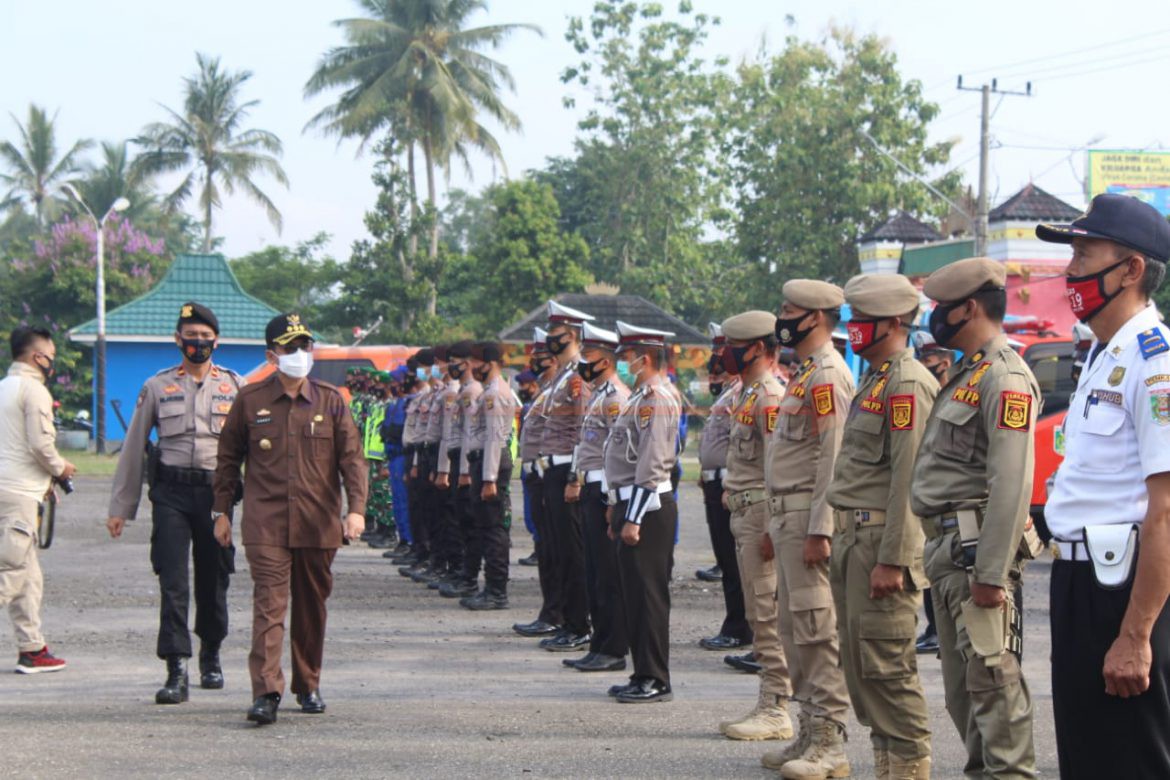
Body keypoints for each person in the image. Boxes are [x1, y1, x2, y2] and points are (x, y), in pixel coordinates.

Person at [1036, 193, 1170, 778]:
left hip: (1123, 590)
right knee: (1087, 756)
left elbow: (1166, 511)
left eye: (1084, 255)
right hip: (1079, 581)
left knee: (1130, 758)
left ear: (1131, 269)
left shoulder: (1155, 361)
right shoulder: (1101, 352)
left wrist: (1136, 635)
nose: (1071, 271)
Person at [910, 257, 1041, 777]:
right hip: (948, 553)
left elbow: (1012, 482)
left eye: (943, 307)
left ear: (969, 308)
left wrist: (990, 572)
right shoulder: (970, 371)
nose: (936, 317)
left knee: (994, 689)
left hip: (975, 557)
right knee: (963, 696)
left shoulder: (1005, 376)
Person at [212, 313, 368, 726]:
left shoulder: (331, 401)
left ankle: (307, 683)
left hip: (318, 524)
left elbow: (353, 460)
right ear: (272, 355)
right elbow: (227, 461)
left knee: (311, 608)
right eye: (290, 347)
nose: (300, 353)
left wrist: (356, 510)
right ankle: (266, 691)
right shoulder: (250, 400)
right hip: (266, 523)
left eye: (305, 346)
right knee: (269, 606)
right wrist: (220, 513)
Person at [107, 302, 245, 703]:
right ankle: (176, 667)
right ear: (177, 339)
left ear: (217, 341)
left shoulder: (235, 386)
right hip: (171, 494)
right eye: (191, 336)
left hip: (217, 494)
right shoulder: (157, 386)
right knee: (172, 579)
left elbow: (253, 450)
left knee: (214, 577)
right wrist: (121, 507)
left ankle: (211, 653)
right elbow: (134, 446)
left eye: (205, 337)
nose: (198, 343)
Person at [828, 275, 938, 779]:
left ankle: (909, 767)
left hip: (879, 546)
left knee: (888, 667)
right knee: (862, 668)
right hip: (854, 539)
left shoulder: (906, 383)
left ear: (893, 324)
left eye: (862, 319)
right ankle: (887, 766)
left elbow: (909, 479)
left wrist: (894, 559)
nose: (853, 327)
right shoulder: (876, 378)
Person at [760, 281, 854, 779]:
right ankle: (808, 728)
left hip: (807, 520)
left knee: (817, 630)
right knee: (794, 631)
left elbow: (833, 460)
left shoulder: (828, 375)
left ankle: (830, 741)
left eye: (788, 310)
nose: (781, 318)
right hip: (787, 517)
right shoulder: (805, 373)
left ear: (815, 317)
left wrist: (822, 527)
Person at [714, 311, 792, 741]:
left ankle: (776, 707)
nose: (726, 353)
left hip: (762, 515)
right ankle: (769, 700)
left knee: (766, 613)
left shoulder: (770, 397)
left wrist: (771, 528)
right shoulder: (748, 393)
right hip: (745, 514)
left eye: (734, 346)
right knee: (756, 611)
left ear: (758, 349)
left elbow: (779, 467)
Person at [603, 321, 680, 703]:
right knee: (633, 595)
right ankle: (641, 673)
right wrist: (614, 507)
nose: (623, 363)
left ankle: (655, 678)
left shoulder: (658, 399)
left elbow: (652, 463)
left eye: (627, 357)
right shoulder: (640, 397)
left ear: (644, 359)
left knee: (648, 598)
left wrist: (632, 517)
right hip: (631, 503)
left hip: (647, 508)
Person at [0, 326, 73, 674]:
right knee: (12, 572)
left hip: (10, 489)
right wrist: (62, 468)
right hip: (19, 495)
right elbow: (40, 445)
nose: (52, 363)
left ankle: (32, 648)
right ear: (37, 357)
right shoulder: (34, 390)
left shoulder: (4, 387)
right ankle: (31, 649)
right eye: (51, 356)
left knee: (29, 577)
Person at [564, 322, 630, 672]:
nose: (582, 362)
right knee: (594, 572)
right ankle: (599, 643)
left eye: (587, 356)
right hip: (590, 487)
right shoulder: (599, 396)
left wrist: (611, 499)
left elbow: (617, 453)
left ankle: (613, 647)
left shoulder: (616, 398)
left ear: (604, 361)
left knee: (607, 574)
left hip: (604, 490)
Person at [538, 302, 595, 652]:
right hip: (553, 469)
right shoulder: (562, 374)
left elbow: (582, 429)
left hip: (566, 471)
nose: (550, 340)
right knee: (560, 550)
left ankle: (579, 625)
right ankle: (567, 620)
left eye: (555, 334)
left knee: (573, 552)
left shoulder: (577, 376)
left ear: (572, 335)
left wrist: (575, 476)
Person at [697, 322, 752, 652]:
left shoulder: (744, 391)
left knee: (735, 562)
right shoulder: (731, 392)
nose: (717, 356)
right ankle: (736, 623)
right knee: (726, 560)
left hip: (729, 485)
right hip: (715, 484)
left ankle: (740, 628)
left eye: (722, 349)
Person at [458, 341, 518, 610]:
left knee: (493, 529)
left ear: (490, 364)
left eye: (475, 362)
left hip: (491, 462)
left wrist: (489, 478)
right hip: (483, 462)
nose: (471, 367)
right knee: (484, 527)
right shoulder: (489, 392)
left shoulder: (495, 394)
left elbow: (494, 438)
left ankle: (497, 592)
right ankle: (490, 588)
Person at [512, 330, 564, 637]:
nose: (535, 363)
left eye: (541, 357)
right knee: (545, 548)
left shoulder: (561, 389)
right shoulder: (546, 390)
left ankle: (558, 614)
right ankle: (550, 611)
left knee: (555, 550)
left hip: (549, 475)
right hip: (537, 474)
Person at [910, 331, 950, 655]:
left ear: (945, 362)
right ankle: (934, 628)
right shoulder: (927, 392)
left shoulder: (952, 394)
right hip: (925, 492)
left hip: (945, 494)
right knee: (926, 563)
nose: (924, 365)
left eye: (929, 359)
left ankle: (939, 629)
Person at [437, 341, 484, 599]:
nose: (449, 366)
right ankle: (463, 573)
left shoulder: (472, 391)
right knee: (459, 520)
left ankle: (469, 578)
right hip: (457, 460)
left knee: (467, 523)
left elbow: (471, 434)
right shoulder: (464, 391)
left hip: (465, 463)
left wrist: (465, 471)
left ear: (466, 364)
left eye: (453, 362)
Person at [513, 367, 542, 566]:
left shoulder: (540, 404)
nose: (521, 388)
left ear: (534, 385)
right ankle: (537, 547)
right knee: (530, 510)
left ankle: (540, 549)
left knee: (537, 511)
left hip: (537, 463)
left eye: (523, 384)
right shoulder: (527, 406)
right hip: (526, 462)